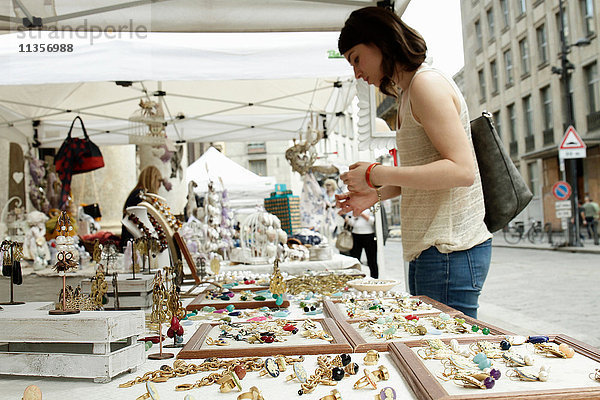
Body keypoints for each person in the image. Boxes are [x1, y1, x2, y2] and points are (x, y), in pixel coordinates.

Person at [335, 7, 492, 318]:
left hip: (449, 249)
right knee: (433, 352)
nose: (356, 73)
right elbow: (427, 172)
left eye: (355, 58)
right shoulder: (407, 93)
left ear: (378, 42)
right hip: (434, 249)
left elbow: (461, 171)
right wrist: (376, 192)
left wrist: (375, 172)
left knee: (442, 355)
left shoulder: (425, 85)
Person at [120, 166, 163, 249]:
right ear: (152, 179)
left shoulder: (138, 194)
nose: (160, 185)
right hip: (135, 244)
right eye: (159, 180)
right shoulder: (140, 196)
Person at [345, 209, 378, 278]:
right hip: (355, 235)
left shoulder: (372, 207)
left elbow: (374, 222)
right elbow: (352, 223)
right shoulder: (355, 207)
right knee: (355, 259)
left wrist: (362, 214)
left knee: (372, 260)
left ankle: (375, 278)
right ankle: (354, 278)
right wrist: (348, 220)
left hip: (369, 235)